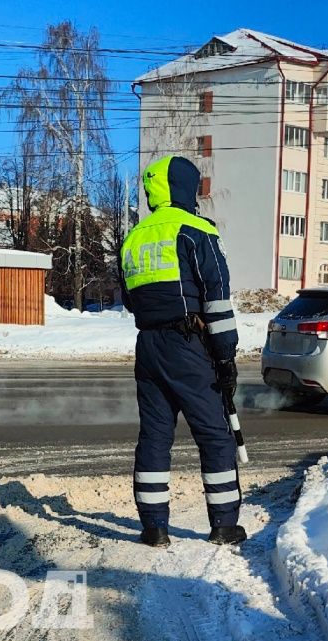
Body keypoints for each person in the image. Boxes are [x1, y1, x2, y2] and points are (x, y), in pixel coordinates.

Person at [119, 155, 244, 548]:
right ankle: (224, 525)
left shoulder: (135, 237)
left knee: (155, 437)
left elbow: (128, 299)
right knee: (214, 434)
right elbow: (217, 299)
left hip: (148, 345)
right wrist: (225, 357)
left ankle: (154, 528)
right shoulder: (195, 230)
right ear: (185, 188)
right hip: (190, 344)